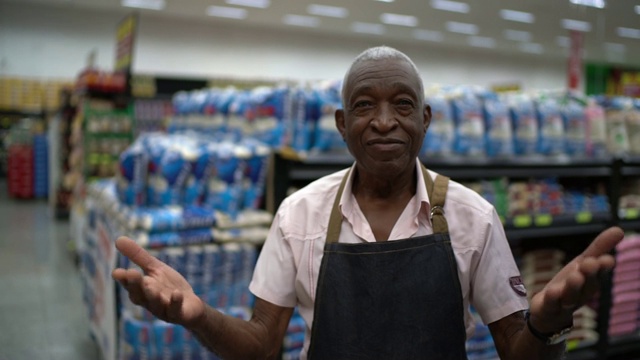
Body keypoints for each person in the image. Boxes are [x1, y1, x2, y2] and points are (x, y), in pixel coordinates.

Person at [112, 46, 624, 359]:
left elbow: (517, 350)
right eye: (364, 106)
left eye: (402, 105)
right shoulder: (300, 214)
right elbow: (263, 346)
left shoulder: (472, 217)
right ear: (341, 124)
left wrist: (549, 320)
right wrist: (200, 316)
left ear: (425, 119)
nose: (383, 121)